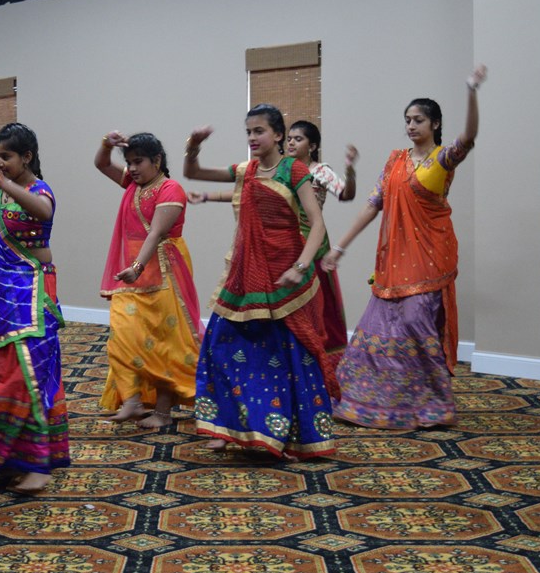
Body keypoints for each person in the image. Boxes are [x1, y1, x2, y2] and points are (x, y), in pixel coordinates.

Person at [323, 65, 487, 430]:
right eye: (407, 121)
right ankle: (370, 402)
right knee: (379, 327)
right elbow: (372, 205)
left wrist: (471, 91)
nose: (411, 126)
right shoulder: (395, 160)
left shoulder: (442, 159)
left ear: (435, 124)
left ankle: (432, 404)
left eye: (418, 120)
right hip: (394, 261)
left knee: (416, 323)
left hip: (430, 257)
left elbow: (469, 137)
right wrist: (340, 248)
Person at [183, 104, 337, 459]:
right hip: (246, 273)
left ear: (278, 135)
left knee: (287, 355)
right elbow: (193, 171)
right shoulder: (246, 171)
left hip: (285, 276)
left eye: (259, 131)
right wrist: (194, 145)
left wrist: (300, 266)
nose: (252, 138)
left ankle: (292, 434)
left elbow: (316, 223)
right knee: (219, 345)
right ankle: (229, 424)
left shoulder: (294, 170)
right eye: (248, 132)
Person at [0, 123, 69, 494]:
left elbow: (44, 212)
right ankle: (4, 461)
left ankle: (39, 466)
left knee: (27, 377)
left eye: (6, 156)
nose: (0, 162)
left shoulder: (38, 191)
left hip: (31, 295)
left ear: (27, 157)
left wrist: (3, 182)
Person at [94, 130, 202, 431]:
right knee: (122, 333)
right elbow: (102, 164)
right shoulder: (133, 184)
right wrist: (106, 144)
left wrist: (137, 266)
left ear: (157, 160)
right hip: (134, 273)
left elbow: (156, 232)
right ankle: (132, 400)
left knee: (166, 343)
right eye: (129, 162)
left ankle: (163, 413)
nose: (131, 168)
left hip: (165, 272)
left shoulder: (170, 189)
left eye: (138, 161)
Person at [285, 120, 357, 357]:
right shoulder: (283, 168)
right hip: (285, 242)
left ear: (313, 146)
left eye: (298, 139)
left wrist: (350, 171)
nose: (291, 143)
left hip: (312, 242)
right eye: (289, 139)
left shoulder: (320, 171)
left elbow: (346, 194)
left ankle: (322, 354)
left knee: (318, 301)